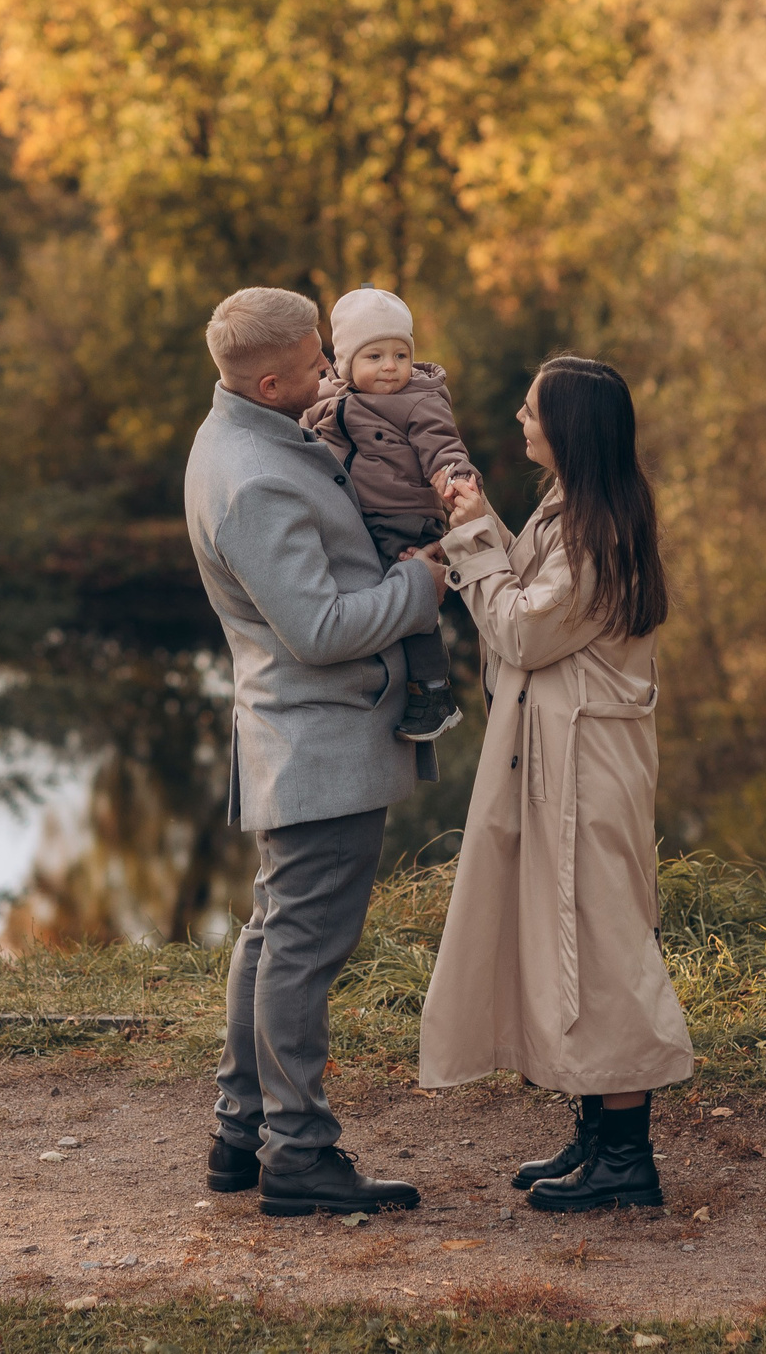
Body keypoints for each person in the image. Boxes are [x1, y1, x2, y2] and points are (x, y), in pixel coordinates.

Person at [184, 286, 450, 1218]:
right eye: (312, 365)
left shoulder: (248, 430)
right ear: (269, 379)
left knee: (272, 933)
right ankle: (298, 1153)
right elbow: (320, 627)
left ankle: (241, 1131)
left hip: (298, 733)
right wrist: (421, 586)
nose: (330, 375)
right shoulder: (253, 476)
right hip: (317, 737)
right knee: (301, 948)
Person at [416, 353, 690, 1212]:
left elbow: (520, 631)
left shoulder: (596, 532)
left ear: (567, 427)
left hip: (587, 770)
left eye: (532, 409)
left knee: (603, 947)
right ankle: (595, 1130)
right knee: (566, 940)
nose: (520, 419)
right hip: (560, 759)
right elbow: (526, 605)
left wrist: (467, 540)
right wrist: (484, 520)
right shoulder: (576, 509)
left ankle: (627, 1159)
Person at [300, 284, 475, 743]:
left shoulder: (418, 398)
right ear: (345, 363)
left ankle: (435, 692)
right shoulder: (329, 396)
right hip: (358, 515)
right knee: (363, 593)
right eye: (374, 357)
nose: (390, 367)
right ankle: (378, 687)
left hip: (405, 516)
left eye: (400, 355)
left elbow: (443, 444)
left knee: (412, 592)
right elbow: (300, 428)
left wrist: (453, 477)